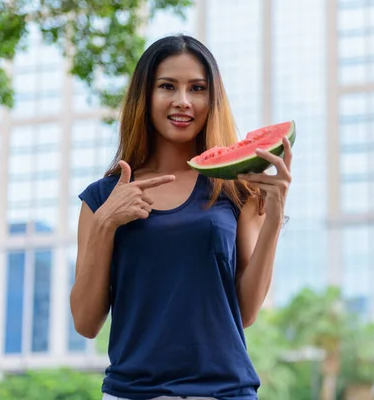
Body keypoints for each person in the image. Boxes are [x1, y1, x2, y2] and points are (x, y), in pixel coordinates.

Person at [69, 34, 292, 400]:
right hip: (133, 392)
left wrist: (274, 216)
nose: (183, 102)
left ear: (212, 99)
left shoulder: (237, 191)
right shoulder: (101, 198)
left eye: (198, 88)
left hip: (225, 391)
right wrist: (107, 223)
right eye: (167, 86)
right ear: (146, 96)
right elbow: (85, 323)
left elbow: (247, 312)